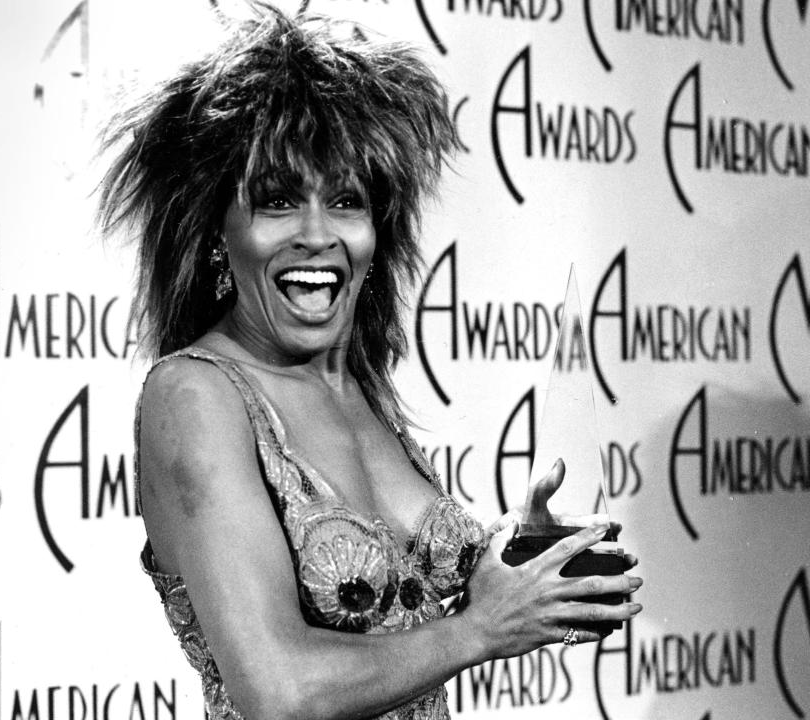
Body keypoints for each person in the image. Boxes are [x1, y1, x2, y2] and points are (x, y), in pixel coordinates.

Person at [98, 7, 642, 719]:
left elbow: (402, 608)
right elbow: (280, 690)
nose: (318, 235)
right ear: (215, 235)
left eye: (346, 201)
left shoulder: (355, 382)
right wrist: (482, 629)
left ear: (376, 232)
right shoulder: (195, 395)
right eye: (279, 201)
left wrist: (518, 566)